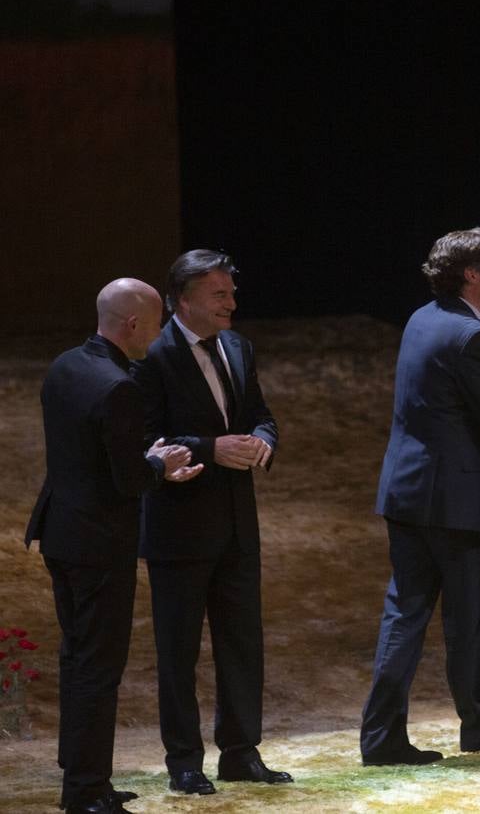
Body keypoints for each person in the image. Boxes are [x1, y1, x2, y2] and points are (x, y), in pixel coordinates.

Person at [360, 228, 480, 765]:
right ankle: (479, 727)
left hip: (406, 495)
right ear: (471, 274)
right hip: (453, 506)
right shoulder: (470, 336)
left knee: (404, 614)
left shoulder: (421, 318)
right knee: (467, 621)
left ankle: (381, 736)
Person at [25, 279, 203, 814]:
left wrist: (136, 457)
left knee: (78, 659)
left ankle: (82, 776)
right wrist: (160, 466)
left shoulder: (65, 365)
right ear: (132, 325)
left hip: (60, 532)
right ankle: (85, 791)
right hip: (99, 546)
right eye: (154, 322)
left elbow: (87, 453)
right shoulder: (120, 386)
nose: (159, 330)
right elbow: (127, 481)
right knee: (97, 668)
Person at [132, 251, 287, 794]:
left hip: (238, 528)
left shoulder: (239, 347)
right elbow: (144, 437)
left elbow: (261, 415)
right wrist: (209, 448)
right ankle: (184, 763)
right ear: (183, 300)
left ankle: (242, 753)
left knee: (243, 645)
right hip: (178, 529)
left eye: (231, 292)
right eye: (218, 294)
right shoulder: (153, 354)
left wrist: (263, 442)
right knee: (178, 652)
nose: (231, 302)